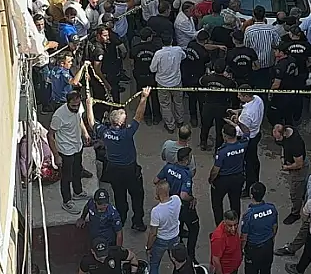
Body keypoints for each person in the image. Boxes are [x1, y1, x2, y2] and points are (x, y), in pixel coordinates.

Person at [95, 90, 152, 232]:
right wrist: (144, 98)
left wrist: (89, 105)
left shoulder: (105, 132)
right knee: (137, 196)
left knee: (119, 197)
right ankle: (137, 221)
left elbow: (91, 122)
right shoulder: (127, 133)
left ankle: (120, 220)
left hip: (114, 171)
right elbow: (139, 116)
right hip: (130, 171)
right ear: (121, 123)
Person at [156, 145, 200, 264]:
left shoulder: (168, 167)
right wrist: (193, 199)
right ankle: (190, 255)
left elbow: (156, 180)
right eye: (190, 157)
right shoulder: (186, 175)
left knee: (178, 226)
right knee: (194, 228)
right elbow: (184, 195)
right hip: (185, 207)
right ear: (185, 160)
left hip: (171, 206)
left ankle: (177, 252)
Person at [49, 90, 91, 212]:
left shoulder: (78, 107)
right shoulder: (59, 116)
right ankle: (66, 201)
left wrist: (85, 133)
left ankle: (78, 192)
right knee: (66, 177)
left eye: (78, 104)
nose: (76, 107)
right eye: (73, 105)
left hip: (77, 145)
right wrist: (56, 155)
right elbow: (50, 135)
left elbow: (79, 120)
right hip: (65, 150)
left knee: (77, 169)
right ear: (67, 103)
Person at [229, 86, 264, 197]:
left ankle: (249, 187)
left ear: (246, 96)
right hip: (257, 133)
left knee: (249, 164)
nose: (237, 96)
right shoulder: (257, 99)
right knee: (254, 160)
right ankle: (255, 179)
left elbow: (241, 131)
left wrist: (233, 122)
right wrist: (238, 111)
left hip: (249, 139)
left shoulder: (247, 115)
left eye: (240, 95)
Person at [210, 123, 247, 225]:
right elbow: (247, 132)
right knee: (235, 203)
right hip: (238, 178)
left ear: (225, 135)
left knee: (217, 204)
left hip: (222, 180)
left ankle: (220, 228)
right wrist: (237, 124)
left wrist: (211, 179)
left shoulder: (222, 151)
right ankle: (234, 225)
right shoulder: (243, 144)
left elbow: (216, 169)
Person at [272, 123, 308, 224]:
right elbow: (283, 145)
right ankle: (304, 194)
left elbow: (299, 164)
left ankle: (295, 213)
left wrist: (287, 167)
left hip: (298, 169)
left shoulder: (295, 145)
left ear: (283, 134)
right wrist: (283, 157)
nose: (276, 141)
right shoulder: (287, 130)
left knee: (295, 193)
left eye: (278, 138)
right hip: (292, 162)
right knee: (301, 187)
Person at [241, 182, 279, 274]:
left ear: (251, 195)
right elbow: (275, 226)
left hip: (253, 249)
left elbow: (244, 237)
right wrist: (271, 238)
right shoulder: (272, 208)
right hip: (268, 246)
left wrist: (241, 249)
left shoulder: (248, 215)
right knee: (266, 270)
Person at [151, 38, 187, 133]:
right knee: (178, 102)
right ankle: (180, 121)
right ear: (171, 40)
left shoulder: (158, 54)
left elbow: (152, 69)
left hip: (162, 83)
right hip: (176, 82)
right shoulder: (178, 50)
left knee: (165, 105)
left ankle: (170, 125)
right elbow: (184, 56)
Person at [147, 182, 183, 274]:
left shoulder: (156, 211)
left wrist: (149, 247)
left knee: (154, 263)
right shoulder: (177, 199)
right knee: (177, 261)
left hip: (161, 240)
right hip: (175, 237)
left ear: (158, 193)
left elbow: (153, 233)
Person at [199, 61, 232, 150]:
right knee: (219, 128)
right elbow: (234, 88)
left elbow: (201, 82)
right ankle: (218, 148)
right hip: (221, 106)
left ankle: (203, 142)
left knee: (205, 125)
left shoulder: (207, 78)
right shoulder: (228, 82)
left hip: (208, 104)